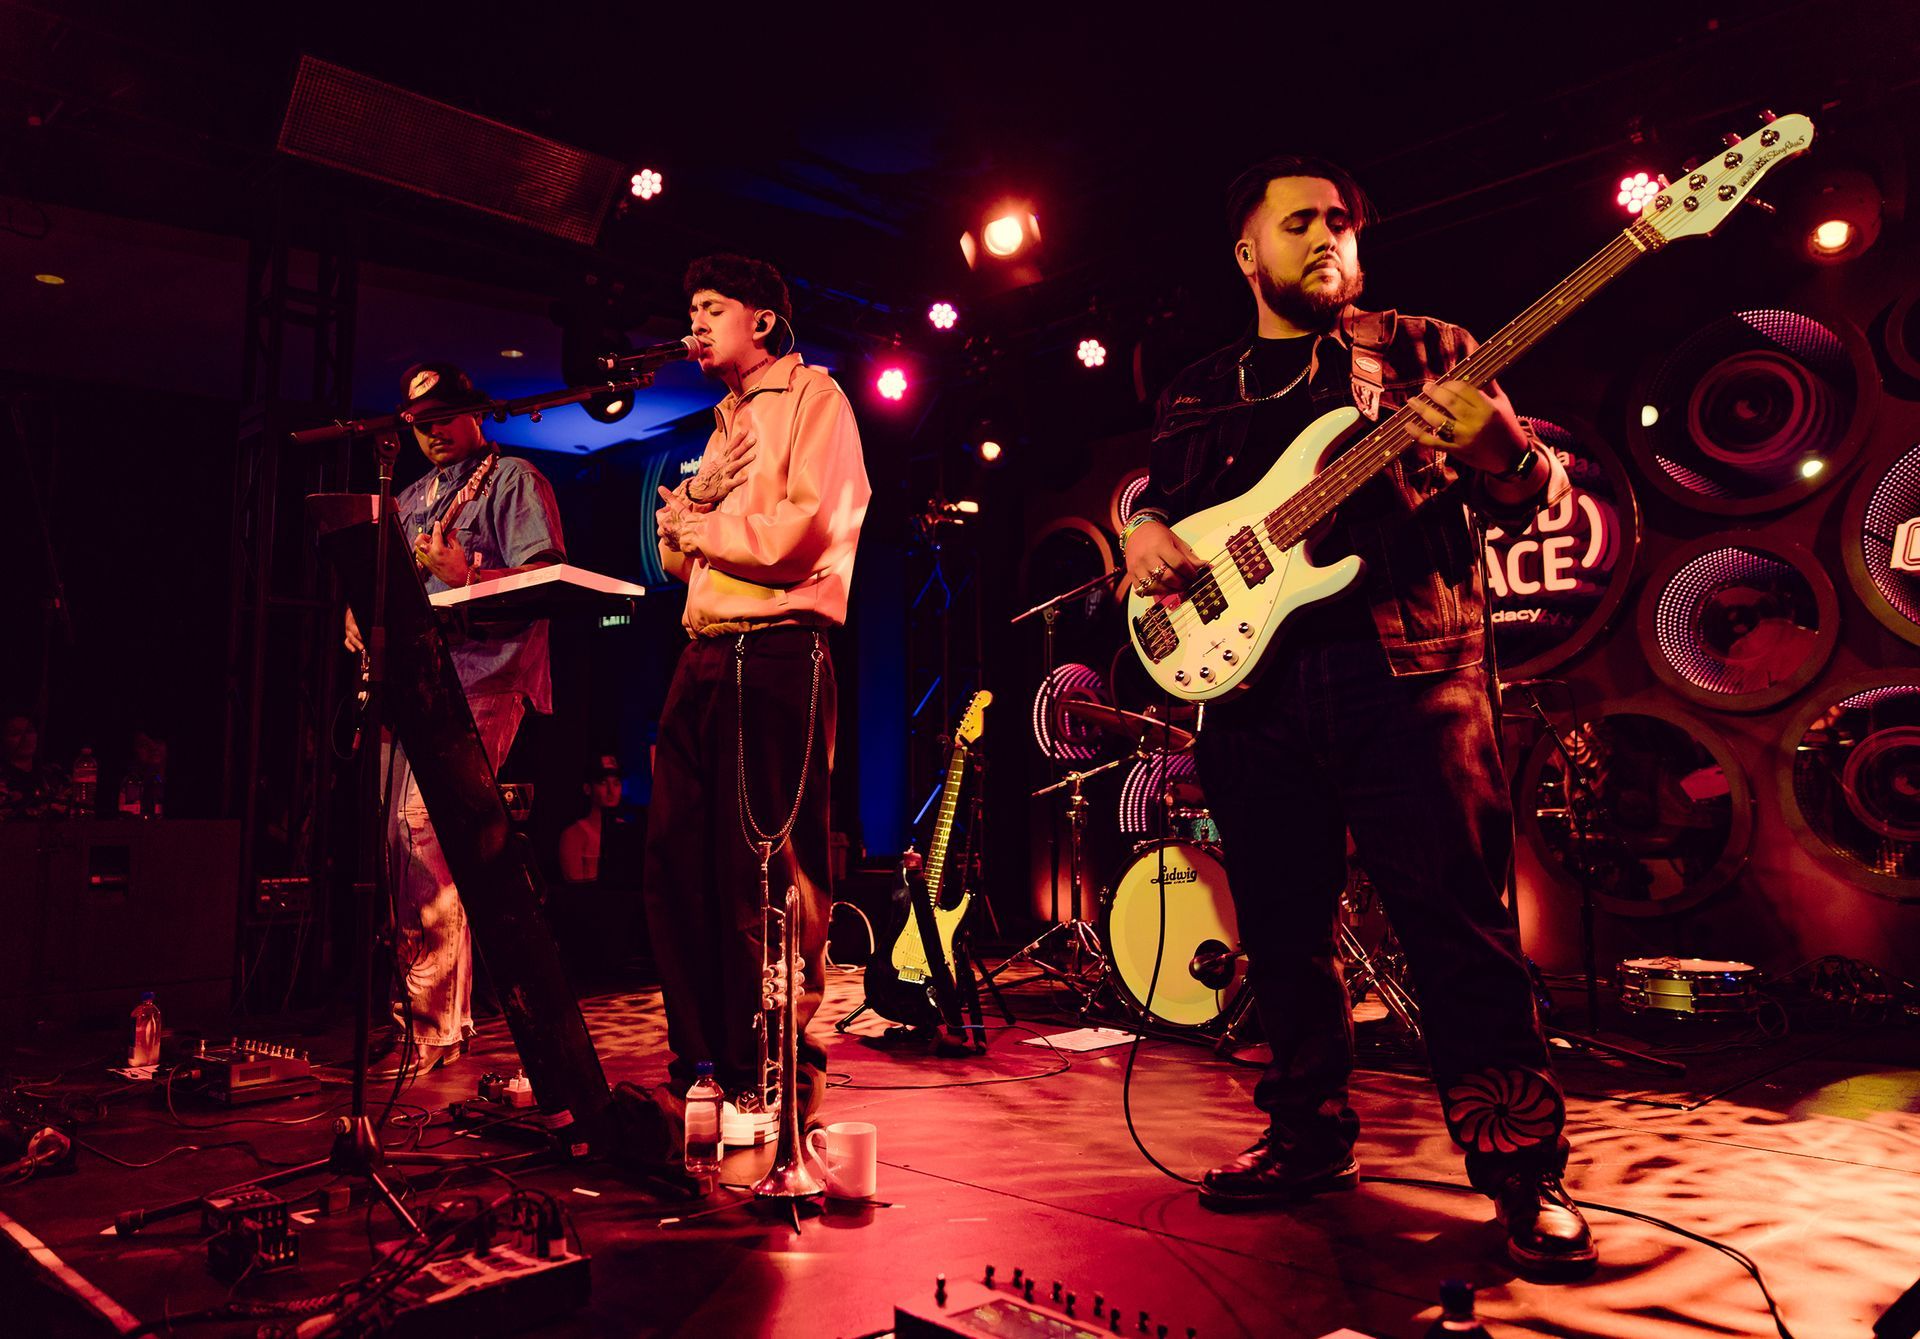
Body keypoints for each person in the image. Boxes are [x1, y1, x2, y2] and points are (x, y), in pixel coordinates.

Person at [1122, 154, 1594, 1274]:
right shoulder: (1194, 388)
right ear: (1249, 254)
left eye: (1342, 220)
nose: (1329, 235)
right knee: (1282, 935)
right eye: (1301, 222)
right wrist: (1140, 536)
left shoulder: (1424, 351)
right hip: (1250, 692)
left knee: (1458, 931)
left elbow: (1537, 499)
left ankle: (1522, 1170)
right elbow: (1172, 520)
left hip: (1407, 674)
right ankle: (1307, 1135)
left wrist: (1498, 450)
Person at [646, 253, 869, 1144]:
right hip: (703, 652)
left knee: (766, 870)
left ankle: (774, 1067)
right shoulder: (725, 421)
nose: (693, 324)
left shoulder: (817, 401)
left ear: (762, 320)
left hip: (776, 649)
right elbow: (668, 563)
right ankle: (703, 1061)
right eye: (689, 308)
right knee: (674, 863)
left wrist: (694, 521)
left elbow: (798, 535)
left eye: (710, 308)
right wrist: (695, 512)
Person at [344, 361, 565, 1078]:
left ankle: (435, 1024)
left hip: (486, 678)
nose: (433, 431)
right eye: (420, 422)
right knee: (399, 843)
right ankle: (421, 1016)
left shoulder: (515, 480)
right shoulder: (407, 496)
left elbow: (546, 582)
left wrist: (463, 575)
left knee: (424, 831)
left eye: (444, 416)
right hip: (418, 683)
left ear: (475, 413)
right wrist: (362, 614)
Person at [555, 752, 650, 982]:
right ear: (588, 788)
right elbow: (576, 894)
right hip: (593, 933)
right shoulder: (574, 834)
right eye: (603, 783)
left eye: (616, 783)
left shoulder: (628, 831)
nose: (611, 790)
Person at [0, 709, 70, 821]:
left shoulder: (53, 774)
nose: (25, 738)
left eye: (29, 731)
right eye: (16, 733)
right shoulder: (2, 778)